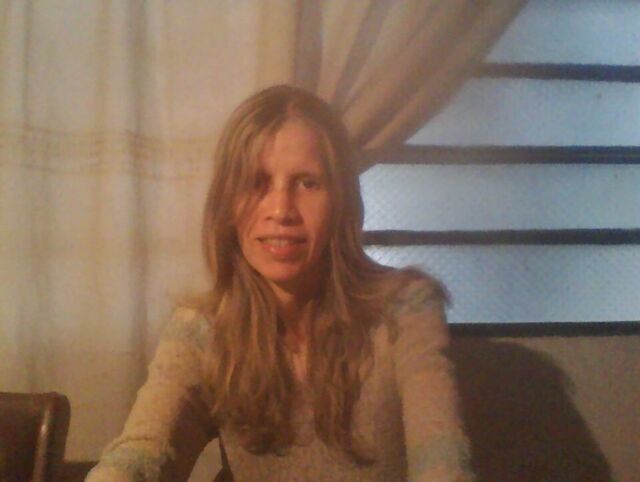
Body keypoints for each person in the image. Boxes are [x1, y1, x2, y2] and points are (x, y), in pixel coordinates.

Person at [86, 85, 473, 482]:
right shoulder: (204, 328)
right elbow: (141, 454)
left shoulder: (405, 309)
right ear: (227, 203)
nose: (281, 210)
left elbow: (440, 452)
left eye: (307, 183)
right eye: (256, 182)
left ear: (340, 199)